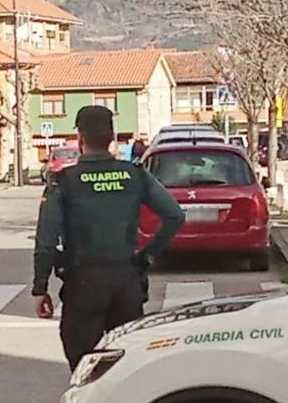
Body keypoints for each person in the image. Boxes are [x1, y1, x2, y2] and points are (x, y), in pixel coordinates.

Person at [32, 106, 185, 371]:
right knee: (127, 364)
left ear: (80, 140)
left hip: (84, 284)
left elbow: (46, 241)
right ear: (112, 139)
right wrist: (147, 255)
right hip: (127, 280)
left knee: (85, 365)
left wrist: (40, 286)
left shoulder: (64, 181)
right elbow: (174, 216)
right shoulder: (135, 175)